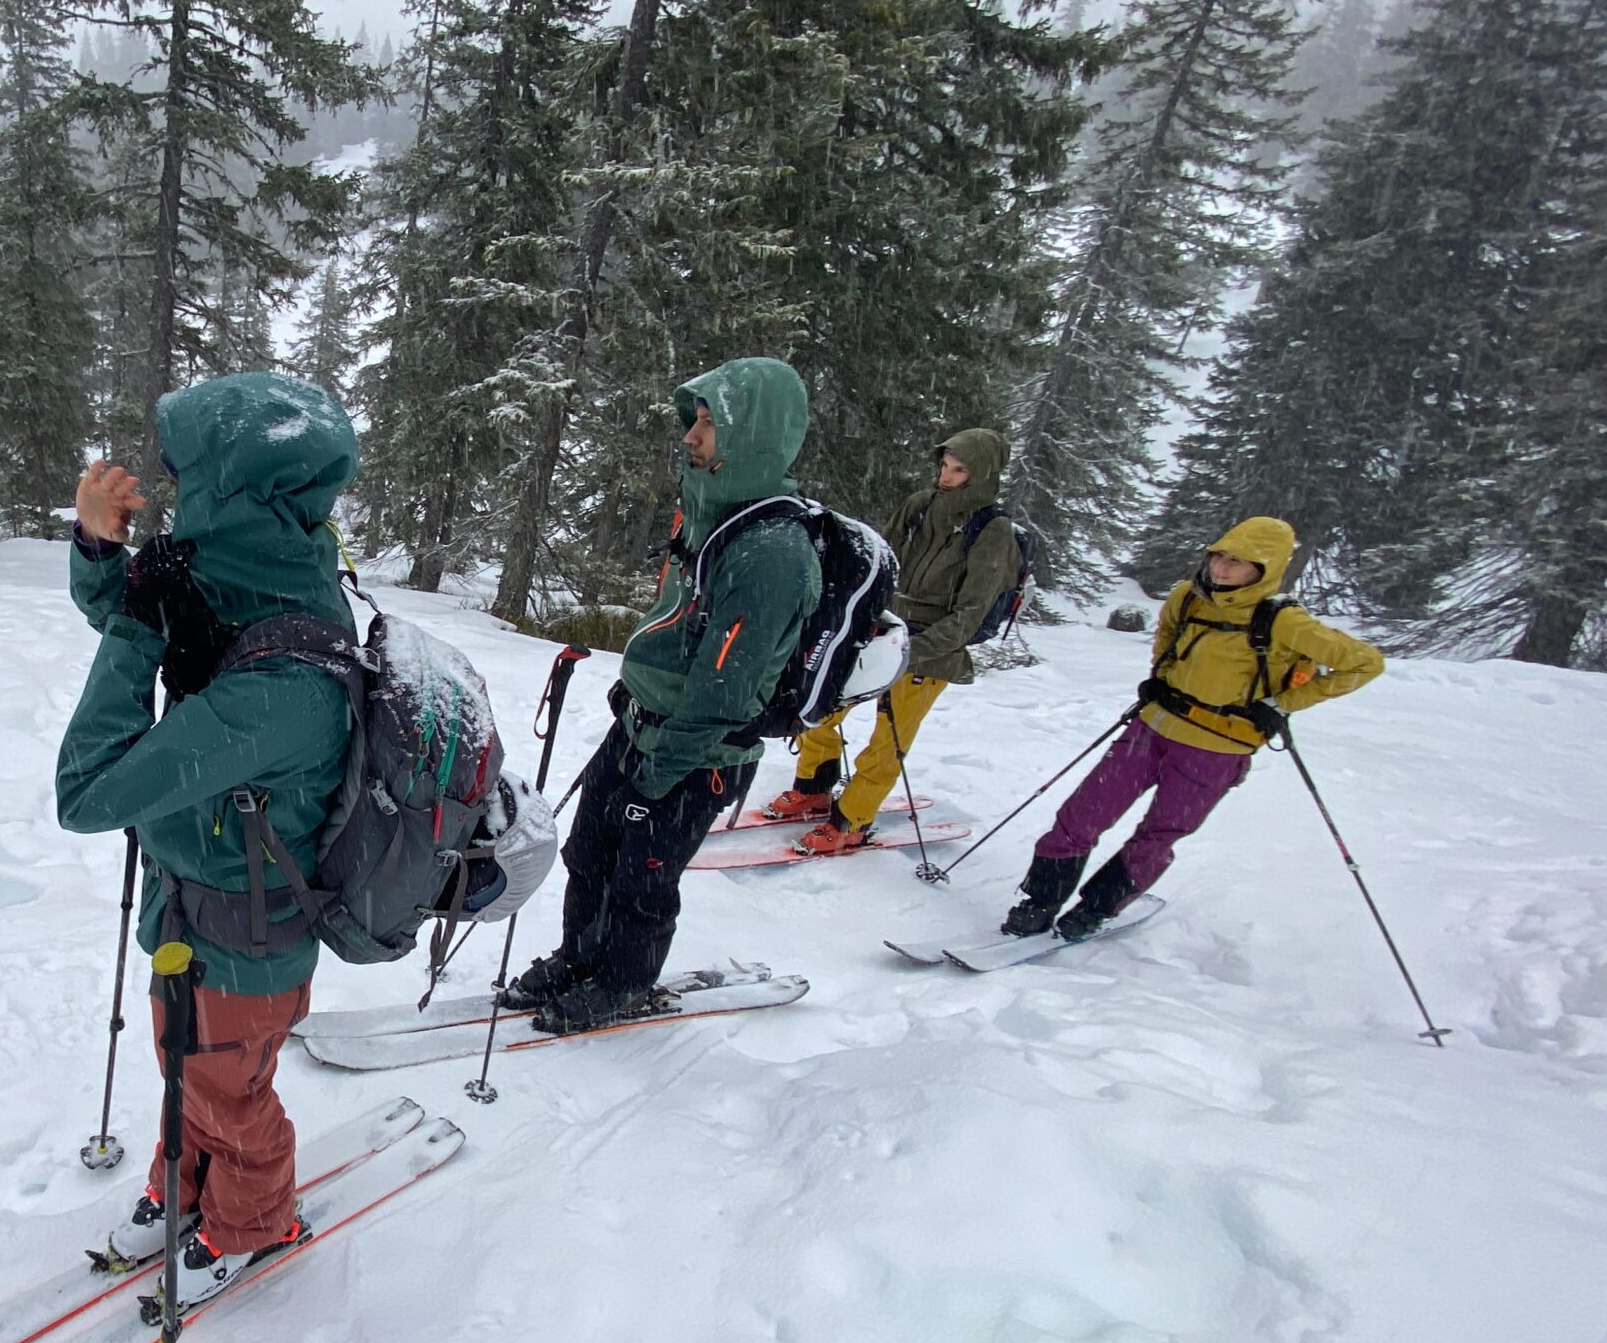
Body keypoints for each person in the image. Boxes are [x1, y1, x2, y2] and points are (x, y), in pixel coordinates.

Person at [57, 372, 358, 1307]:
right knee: (186, 1073)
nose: (174, 498)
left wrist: (138, 623)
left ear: (237, 495)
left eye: (189, 482)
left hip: (247, 944)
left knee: (229, 1093)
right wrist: (103, 556)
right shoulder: (260, 579)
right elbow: (144, 614)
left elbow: (89, 791)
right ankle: (183, 1184)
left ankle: (254, 1220)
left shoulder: (290, 678)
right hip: (193, 910)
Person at [501, 358, 824, 1033]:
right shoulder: (713, 512)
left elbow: (723, 689)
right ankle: (581, 956)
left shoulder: (771, 552)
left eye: (709, 423)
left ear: (752, 434)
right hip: (640, 726)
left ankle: (623, 981)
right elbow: (678, 624)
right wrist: (634, 693)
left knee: (642, 879)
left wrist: (660, 775)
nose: (691, 435)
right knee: (589, 854)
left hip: (697, 753)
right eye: (693, 420)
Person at [1003, 516, 1383, 939]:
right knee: (1082, 815)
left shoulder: (1283, 621)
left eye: (1237, 561)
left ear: (1264, 568)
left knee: (1158, 834)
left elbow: (1365, 663)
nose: (1221, 568)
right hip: (1152, 729)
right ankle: (1039, 901)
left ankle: (1096, 908)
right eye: (1218, 556)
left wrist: (1281, 704)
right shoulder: (1188, 597)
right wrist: (1160, 678)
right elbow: (1167, 634)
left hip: (1218, 747)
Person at [765, 428, 1022, 856]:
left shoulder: (993, 531)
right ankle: (813, 788)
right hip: (883, 630)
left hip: (932, 652)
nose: (946, 476)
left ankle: (852, 821)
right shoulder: (919, 506)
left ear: (982, 474)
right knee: (820, 707)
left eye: (959, 470)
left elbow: (970, 614)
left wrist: (909, 653)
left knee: (888, 740)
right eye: (945, 466)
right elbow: (879, 567)